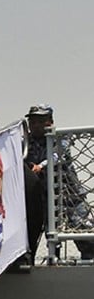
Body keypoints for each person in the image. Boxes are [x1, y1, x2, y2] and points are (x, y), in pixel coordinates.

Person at [24, 104, 94, 260]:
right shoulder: (26, 143)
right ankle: (48, 261)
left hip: (69, 195)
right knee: (39, 234)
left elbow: (59, 155)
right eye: (33, 121)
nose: (35, 125)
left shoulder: (60, 137)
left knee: (84, 232)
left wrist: (40, 166)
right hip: (41, 196)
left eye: (40, 121)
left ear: (50, 121)